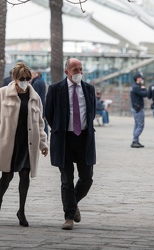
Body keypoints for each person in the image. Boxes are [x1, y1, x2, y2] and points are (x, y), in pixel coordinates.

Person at [0, 62, 48, 227]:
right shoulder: (3, 93)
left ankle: (21, 210)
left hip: (28, 143)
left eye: (27, 78)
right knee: (7, 175)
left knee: (25, 176)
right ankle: (0, 198)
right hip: (8, 142)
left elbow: (40, 123)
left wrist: (43, 143)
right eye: (22, 78)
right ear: (15, 78)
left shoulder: (35, 98)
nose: (25, 81)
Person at [45, 58, 96, 230]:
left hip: (84, 139)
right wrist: (59, 129)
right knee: (67, 180)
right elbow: (49, 113)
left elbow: (92, 112)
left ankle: (72, 203)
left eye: (81, 69)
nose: (78, 72)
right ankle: (69, 217)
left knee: (87, 178)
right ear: (67, 72)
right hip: (64, 140)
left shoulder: (89, 89)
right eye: (75, 69)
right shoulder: (55, 89)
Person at [130, 73, 147, 148]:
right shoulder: (136, 87)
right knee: (140, 125)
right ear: (137, 79)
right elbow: (144, 94)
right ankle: (134, 140)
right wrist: (144, 88)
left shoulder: (136, 86)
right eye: (140, 78)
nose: (141, 79)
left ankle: (136, 141)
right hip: (138, 108)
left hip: (136, 108)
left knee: (137, 125)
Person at [31, 70, 48, 136]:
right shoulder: (41, 81)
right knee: (43, 121)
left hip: (38, 105)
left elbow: (34, 96)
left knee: (41, 121)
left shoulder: (36, 83)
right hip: (42, 104)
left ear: (34, 74)